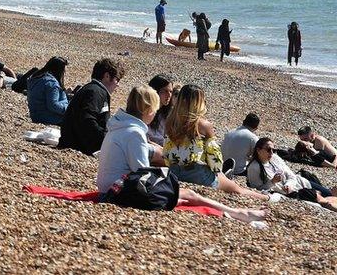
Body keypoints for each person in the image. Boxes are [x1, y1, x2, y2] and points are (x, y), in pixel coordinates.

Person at [96, 86, 266, 223]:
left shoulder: (119, 126)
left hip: (113, 186)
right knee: (203, 192)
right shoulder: (134, 133)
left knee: (185, 194)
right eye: (155, 110)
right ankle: (244, 209)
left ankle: (239, 212)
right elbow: (143, 172)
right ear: (148, 110)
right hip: (118, 191)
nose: (156, 113)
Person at [163, 84, 268, 201]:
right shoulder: (203, 125)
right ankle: (267, 197)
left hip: (174, 171)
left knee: (225, 179)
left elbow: (167, 150)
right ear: (199, 103)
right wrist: (218, 173)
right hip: (197, 173)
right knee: (236, 188)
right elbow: (214, 155)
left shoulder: (170, 121)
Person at [247, 137, 337, 211]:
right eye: (268, 150)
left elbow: (291, 175)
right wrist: (272, 182)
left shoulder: (275, 158)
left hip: (300, 183)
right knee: (327, 201)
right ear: (258, 150)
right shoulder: (254, 168)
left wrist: (288, 184)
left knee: (330, 194)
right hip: (296, 192)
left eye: (273, 150)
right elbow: (257, 188)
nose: (271, 152)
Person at [58, 58, 124, 156]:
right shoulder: (96, 92)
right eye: (117, 80)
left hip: (73, 142)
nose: (118, 85)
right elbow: (87, 121)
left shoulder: (92, 89)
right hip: (79, 145)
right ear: (106, 76)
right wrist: (106, 139)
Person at [26, 56, 70, 125]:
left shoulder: (36, 77)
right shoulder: (51, 83)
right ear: (59, 70)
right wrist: (69, 109)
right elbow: (53, 105)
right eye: (63, 71)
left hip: (35, 115)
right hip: (49, 117)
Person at [145, 75, 175, 147]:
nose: (169, 95)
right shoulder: (145, 111)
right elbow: (145, 139)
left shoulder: (169, 112)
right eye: (165, 91)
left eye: (171, 91)